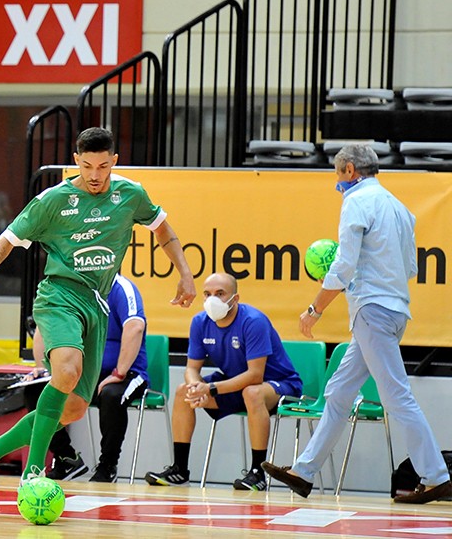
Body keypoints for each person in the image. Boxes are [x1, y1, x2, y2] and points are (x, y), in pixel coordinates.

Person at [0, 127, 195, 504]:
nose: (95, 174)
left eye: (102, 166)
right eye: (87, 166)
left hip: (96, 305)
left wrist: (185, 274)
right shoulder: (54, 200)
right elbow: (7, 239)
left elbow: (164, 232)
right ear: (76, 162)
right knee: (65, 372)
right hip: (59, 295)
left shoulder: (130, 195)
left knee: (72, 407)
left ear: (113, 162)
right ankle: (32, 475)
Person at [263, 144, 451, 504]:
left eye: (338, 173)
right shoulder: (400, 208)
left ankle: (437, 476)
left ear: (349, 169)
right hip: (395, 310)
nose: (337, 181)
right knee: (338, 392)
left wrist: (314, 309)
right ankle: (304, 472)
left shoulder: (357, 201)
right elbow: (411, 268)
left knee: (397, 396)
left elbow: (344, 265)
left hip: (371, 309)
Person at [145, 272, 303, 491]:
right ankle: (180, 469)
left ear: (235, 298)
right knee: (183, 392)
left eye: (220, 294)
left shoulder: (253, 321)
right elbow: (192, 368)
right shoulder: (200, 322)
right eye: (207, 294)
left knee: (253, 393)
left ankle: (257, 472)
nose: (213, 300)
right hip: (234, 382)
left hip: (278, 384)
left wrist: (210, 388)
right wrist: (195, 387)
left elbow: (255, 375)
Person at [23, 273, 150, 483]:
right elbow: (44, 330)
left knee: (111, 395)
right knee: (36, 391)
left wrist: (119, 372)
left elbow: (135, 327)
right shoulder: (72, 287)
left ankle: (107, 466)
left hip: (126, 374)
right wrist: (44, 370)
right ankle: (66, 459)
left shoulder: (121, 288)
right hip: (85, 373)